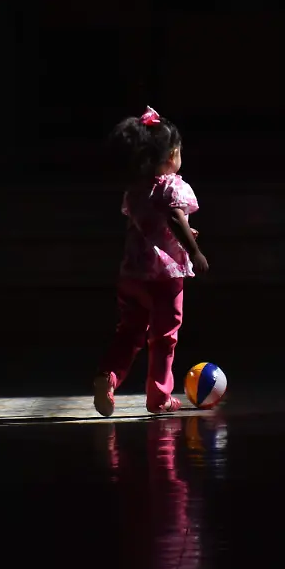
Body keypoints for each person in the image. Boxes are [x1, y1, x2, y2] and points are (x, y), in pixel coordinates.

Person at [94, 107, 209, 416]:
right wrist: (193, 251)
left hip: (132, 274)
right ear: (172, 155)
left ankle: (108, 377)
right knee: (163, 338)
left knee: (129, 331)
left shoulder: (136, 190)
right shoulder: (172, 186)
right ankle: (159, 396)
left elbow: (149, 224)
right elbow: (173, 217)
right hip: (164, 276)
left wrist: (182, 230)